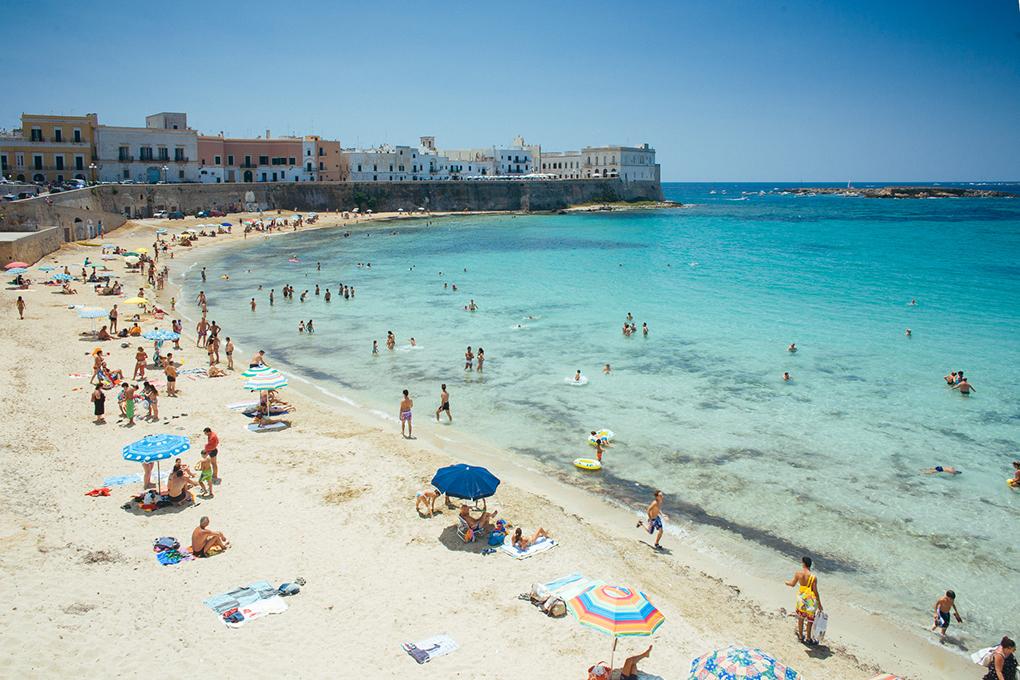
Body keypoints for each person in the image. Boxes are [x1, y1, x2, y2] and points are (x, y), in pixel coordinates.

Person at [786, 556, 822, 644]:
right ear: (810, 565)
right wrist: (819, 604)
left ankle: (801, 636)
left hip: (801, 599)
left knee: (801, 618)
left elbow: (792, 584)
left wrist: (786, 582)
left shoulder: (799, 574)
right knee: (810, 620)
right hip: (810, 600)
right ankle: (809, 638)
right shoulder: (813, 577)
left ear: (803, 563)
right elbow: (815, 592)